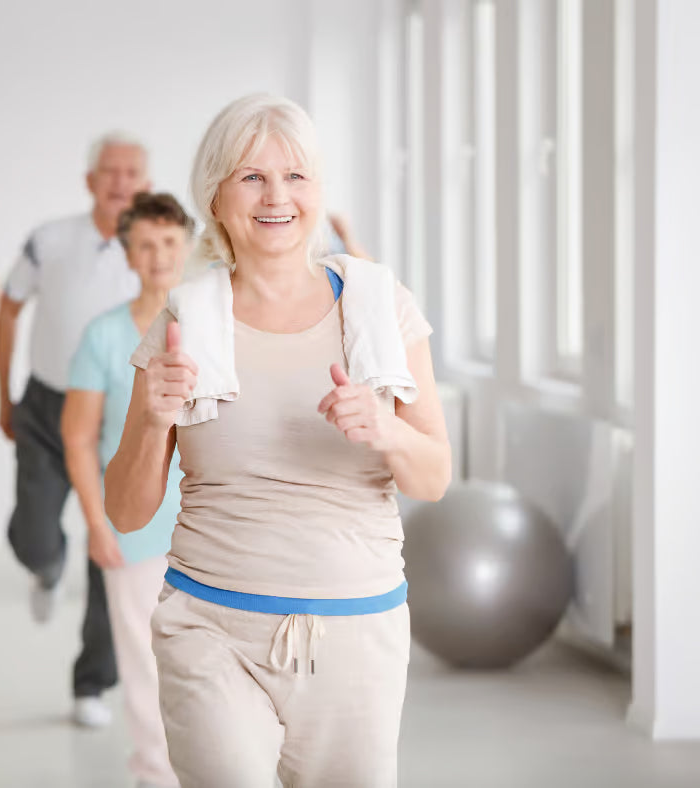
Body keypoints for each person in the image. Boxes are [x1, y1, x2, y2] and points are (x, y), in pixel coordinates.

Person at [105, 94, 451, 787]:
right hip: (211, 627)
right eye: (252, 177)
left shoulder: (378, 305)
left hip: (357, 631)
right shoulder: (187, 317)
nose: (277, 197)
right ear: (217, 195)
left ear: (318, 190)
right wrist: (152, 419)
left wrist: (384, 430)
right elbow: (126, 512)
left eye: (295, 176)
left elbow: (433, 477)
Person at [0, 131, 150, 728]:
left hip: (118, 413)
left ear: (145, 183)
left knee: (111, 548)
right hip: (44, 404)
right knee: (33, 533)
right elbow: (8, 306)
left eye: (132, 172)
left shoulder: (155, 249)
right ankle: (45, 565)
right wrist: (2, 393)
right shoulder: (50, 240)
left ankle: (92, 682)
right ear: (90, 181)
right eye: (109, 171)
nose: (120, 181)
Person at [62, 193, 192, 788]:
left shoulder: (213, 323)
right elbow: (80, 438)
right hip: (136, 531)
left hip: (212, 525)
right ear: (128, 253)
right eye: (145, 244)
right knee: (145, 669)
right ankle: (156, 777)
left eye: (169, 241)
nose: (159, 255)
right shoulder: (104, 335)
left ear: (187, 244)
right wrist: (96, 524)